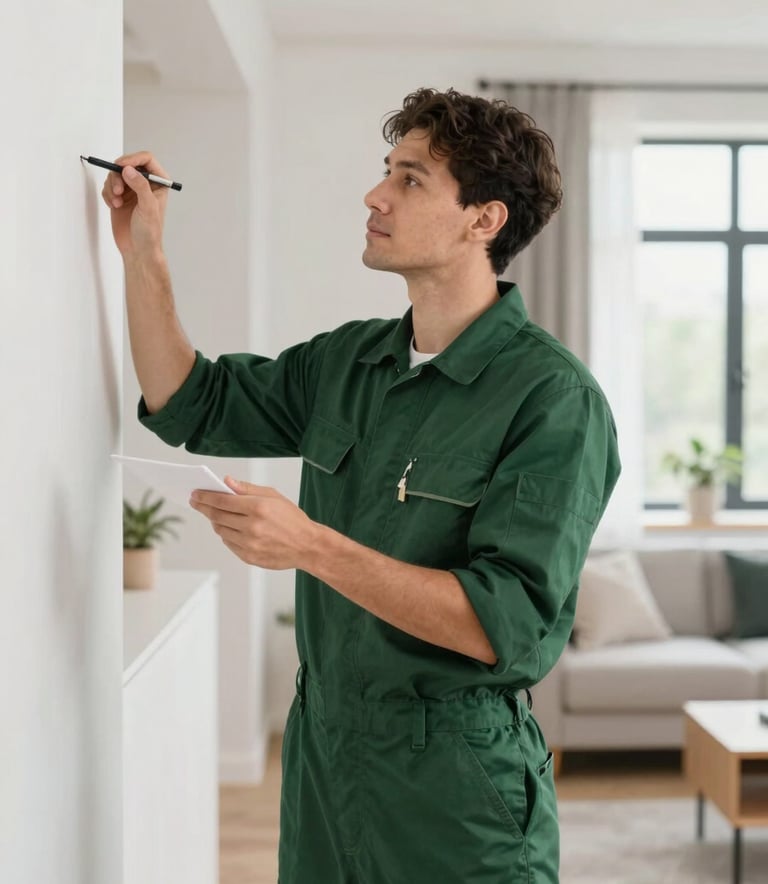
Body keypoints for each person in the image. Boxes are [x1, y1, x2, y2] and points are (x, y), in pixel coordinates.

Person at [103, 87, 620, 884]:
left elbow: (502, 625)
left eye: (412, 180)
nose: (376, 195)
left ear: (485, 220)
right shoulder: (348, 363)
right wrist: (145, 253)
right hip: (323, 759)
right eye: (388, 171)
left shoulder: (554, 400)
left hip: (454, 784)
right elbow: (190, 404)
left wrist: (307, 546)